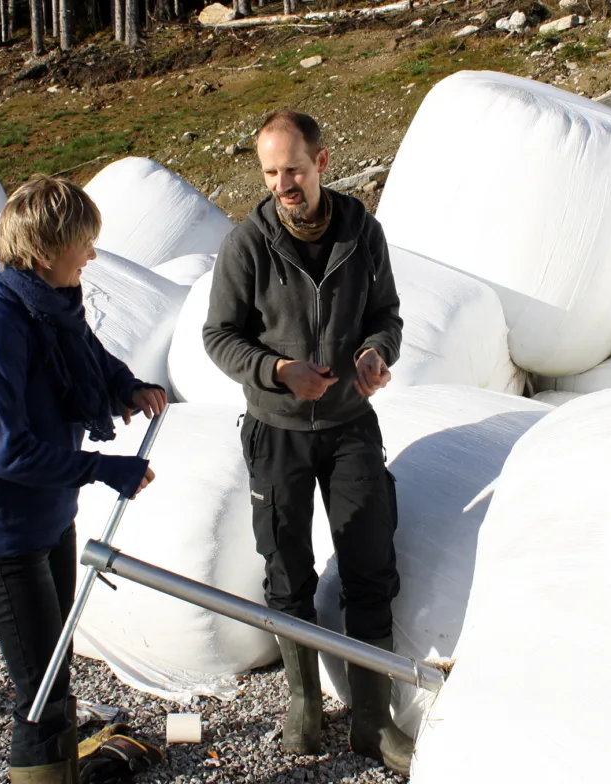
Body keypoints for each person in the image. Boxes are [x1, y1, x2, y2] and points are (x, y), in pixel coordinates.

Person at [202, 109, 413, 775]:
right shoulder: (248, 244)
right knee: (286, 568)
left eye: (292, 169)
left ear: (322, 163)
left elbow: (387, 316)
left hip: (350, 425)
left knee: (370, 561)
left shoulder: (362, 232)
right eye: (270, 172)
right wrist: (277, 371)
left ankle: (373, 721)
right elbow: (219, 336)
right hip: (277, 432)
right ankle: (303, 706)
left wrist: (378, 354)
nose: (282, 184)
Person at [0, 175, 167, 784]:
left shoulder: (48, 307)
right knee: (39, 696)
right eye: (83, 245)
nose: (92, 256)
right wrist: (103, 467)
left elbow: (90, 355)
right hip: (5, 538)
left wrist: (128, 386)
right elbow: (8, 452)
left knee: (57, 672)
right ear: (45, 253)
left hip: (49, 521)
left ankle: (64, 772)